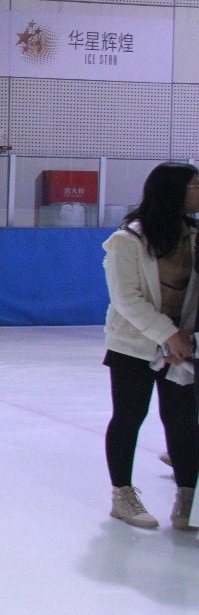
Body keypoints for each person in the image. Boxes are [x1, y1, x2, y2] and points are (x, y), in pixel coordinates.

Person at [101, 162, 199, 531]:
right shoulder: (128, 240)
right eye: (195, 186)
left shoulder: (194, 235)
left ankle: (188, 496)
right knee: (129, 416)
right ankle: (122, 495)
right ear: (173, 191)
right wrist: (166, 334)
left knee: (182, 420)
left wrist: (185, 335)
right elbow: (127, 298)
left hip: (181, 345)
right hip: (134, 344)